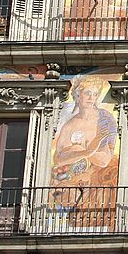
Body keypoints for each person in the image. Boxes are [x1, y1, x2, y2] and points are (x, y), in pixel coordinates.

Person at [51, 78, 118, 224]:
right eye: (87, 93)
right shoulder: (69, 124)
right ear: (77, 95)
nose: (91, 98)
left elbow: (105, 159)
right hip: (71, 176)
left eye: (95, 94)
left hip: (98, 176)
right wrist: (84, 152)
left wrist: (80, 151)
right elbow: (59, 158)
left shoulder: (105, 120)